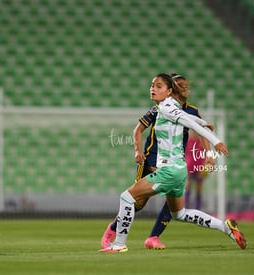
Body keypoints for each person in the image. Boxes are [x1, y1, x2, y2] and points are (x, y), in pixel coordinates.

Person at [99, 73, 246, 253]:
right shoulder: (168, 107)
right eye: (152, 85)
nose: (153, 88)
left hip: (168, 171)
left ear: (169, 91)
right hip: (179, 171)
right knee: (180, 213)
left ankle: (119, 244)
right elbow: (190, 119)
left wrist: (215, 141)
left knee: (127, 197)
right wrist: (204, 122)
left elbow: (192, 125)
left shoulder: (167, 107)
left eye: (159, 86)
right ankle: (226, 227)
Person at [185, 130, 209, 209]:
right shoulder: (188, 141)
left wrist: (205, 166)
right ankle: (185, 207)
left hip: (199, 168)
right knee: (188, 187)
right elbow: (184, 154)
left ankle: (198, 208)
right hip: (189, 167)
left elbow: (205, 156)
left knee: (198, 189)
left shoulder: (201, 142)